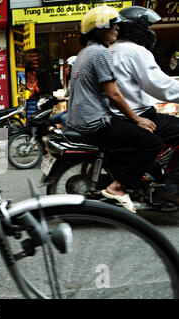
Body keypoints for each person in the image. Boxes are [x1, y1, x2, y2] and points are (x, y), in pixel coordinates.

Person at [66, 5, 161, 213]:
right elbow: (113, 93)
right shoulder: (101, 53)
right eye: (113, 25)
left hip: (80, 119)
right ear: (99, 29)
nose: (117, 28)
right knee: (151, 142)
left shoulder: (83, 53)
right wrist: (137, 119)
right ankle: (117, 187)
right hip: (96, 122)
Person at [109, 6, 179, 206]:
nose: (151, 29)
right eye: (147, 25)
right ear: (137, 28)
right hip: (135, 116)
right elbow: (159, 85)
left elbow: (137, 87)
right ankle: (171, 187)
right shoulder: (134, 51)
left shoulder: (111, 50)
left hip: (119, 115)